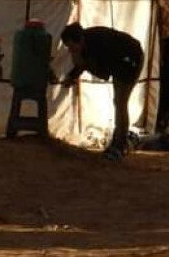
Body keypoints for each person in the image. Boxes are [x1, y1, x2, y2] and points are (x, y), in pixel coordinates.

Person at [61, 22, 144, 160]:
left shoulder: (100, 43)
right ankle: (118, 142)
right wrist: (72, 76)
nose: (71, 51)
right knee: (118, 103)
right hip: (120, 62)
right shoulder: (84, 45)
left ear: (79, 40)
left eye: (71, 47)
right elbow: (85, 64)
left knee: (120, 102)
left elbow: (102, 71)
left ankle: (120, 145)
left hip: (130, 59)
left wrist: (80, 65)